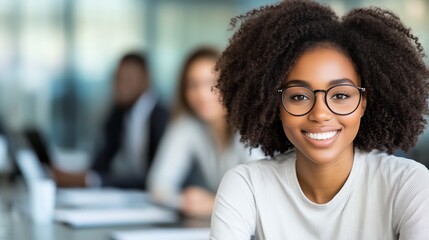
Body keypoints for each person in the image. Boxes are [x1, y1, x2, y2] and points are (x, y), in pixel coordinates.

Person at [210, 0, 429, 239]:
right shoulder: (247, 186)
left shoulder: (408, 184)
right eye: (299, 96)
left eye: (341, 95)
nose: (320, 114)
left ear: (364, 103)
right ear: (277, 107)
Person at [147, 47, 263, 218]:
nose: (201, 94)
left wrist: (214, 203)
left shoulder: (249, 127)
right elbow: (158, 184)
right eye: (193, 85)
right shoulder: (188, 125)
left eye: (212, 83)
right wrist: (184, 201)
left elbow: (262, 195)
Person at [55, 52, 169, 189]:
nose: (120, 86)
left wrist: (92, 181)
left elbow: (155, 178)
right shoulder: (119, 113)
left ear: (145, 80)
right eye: (117, 78)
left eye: (129, 79)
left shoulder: (163, 118)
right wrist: (79, 176)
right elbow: (102, 161)